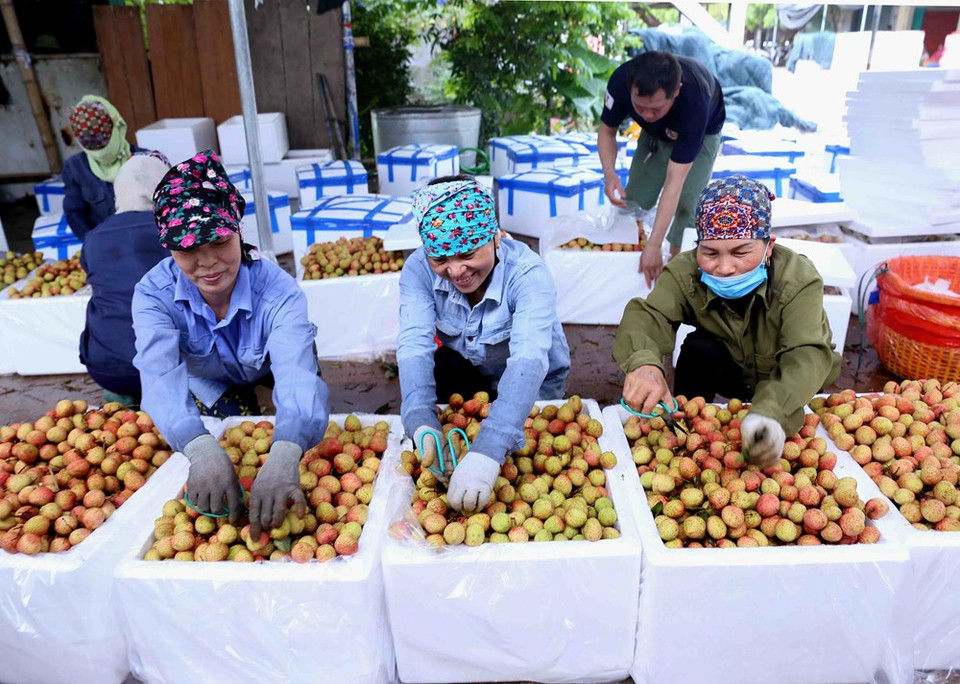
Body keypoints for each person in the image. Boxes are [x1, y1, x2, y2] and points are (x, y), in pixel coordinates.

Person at [132, 150, 330, 536]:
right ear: (169, 248)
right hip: (208, 377)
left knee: (301, 419)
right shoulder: (153, 295)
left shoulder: (279, 292)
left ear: (238, 229)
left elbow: (295, 373)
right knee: (231, 427)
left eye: (219, 241)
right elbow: (158, 377)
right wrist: (198, 446)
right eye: (188, 248)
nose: (208, 263)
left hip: (272, 363)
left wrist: (288, 448)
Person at [612, 176, 841, 467]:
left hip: (787, 378)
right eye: (709, 253)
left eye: (741, 252)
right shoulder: (686, 272)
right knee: (698, 350)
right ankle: (685, 430)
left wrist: (770, 412)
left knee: (797, 406)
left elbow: (806, 354)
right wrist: (644, 362)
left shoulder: (797, 279)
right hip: (732, 368)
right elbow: (649, 315)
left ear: (768, 246)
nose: (724, 268)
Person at [397, 175, 571, 512]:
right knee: (442, 369)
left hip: (532, 386)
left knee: (531, 442)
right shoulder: (418, 270)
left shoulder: (528, 275)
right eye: (441, 259)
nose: (457, 270)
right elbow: (414, 345)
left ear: (494, 235)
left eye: (466, 253)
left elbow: (530, 361)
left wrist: (490, 447)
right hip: (473, 372)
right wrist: (419, 418)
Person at [597, 50, 725, 287]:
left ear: (675, 91)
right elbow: (607, 130)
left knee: (688, 204)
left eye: (655, 109)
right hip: (656, 136)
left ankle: (677, 276)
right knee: (634, 200)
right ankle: (625, 270)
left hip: (702, 131)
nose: (646, 114)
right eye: (639, 108)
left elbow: (674, 183)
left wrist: (655, 246)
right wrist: (609, 172)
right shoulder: (621, 81)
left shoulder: (693, 101)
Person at [79, 152, 171, 407]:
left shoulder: (93, 237)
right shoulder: (174, 232)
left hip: (105, 368)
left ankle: (119, 401)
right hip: (165, 366)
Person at [62, 95, 142, 240]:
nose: (101, 154)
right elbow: (74, 213)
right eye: (94, 148)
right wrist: (94, 244)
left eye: (105, 145)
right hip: (104, 246)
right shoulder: (75, 168)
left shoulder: (144, 160)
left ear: (117, 127)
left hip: (142, 245)